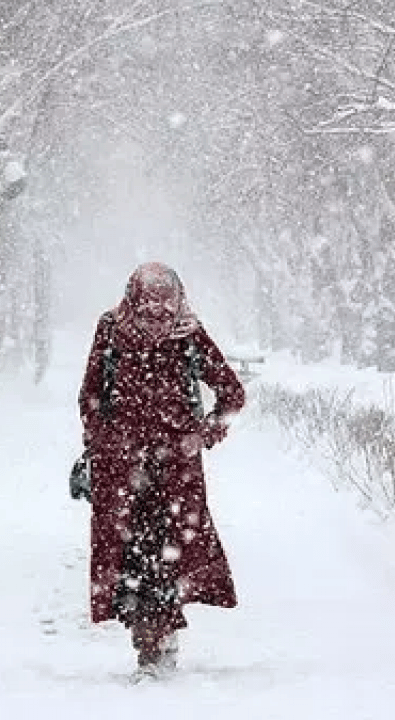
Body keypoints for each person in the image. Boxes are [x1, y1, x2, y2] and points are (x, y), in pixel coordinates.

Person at [77, 262, 246, 679]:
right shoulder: (124, 330)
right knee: (145, 557)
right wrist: (105, 442)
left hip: (157, 473)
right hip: (143, 471)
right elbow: (91, 395)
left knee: (151, 556)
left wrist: (203, 434)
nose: (156, 316)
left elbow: (231, 393)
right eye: (148, 307)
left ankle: (154, 643)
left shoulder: (176, 333)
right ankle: (154, 642)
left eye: (162, 308)